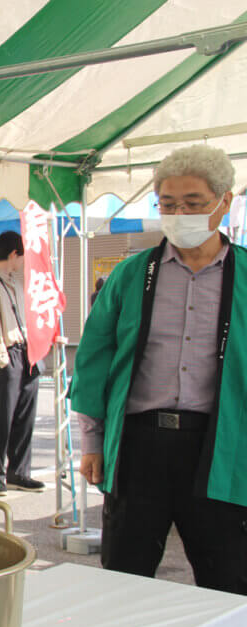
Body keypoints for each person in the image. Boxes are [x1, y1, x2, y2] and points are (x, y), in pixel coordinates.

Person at [71, 145, 247, 594]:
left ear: (224, 202)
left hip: (221, 447)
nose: (179, 215)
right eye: (167, 205)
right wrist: (91, 442)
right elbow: (94, 359)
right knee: (125, 577)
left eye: (192, 203)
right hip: (139, 445)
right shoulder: (130, 275)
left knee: (228, 581)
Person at [0, 231, 44, 497]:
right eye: (22, 256)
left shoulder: (14, 283)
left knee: (25, 415)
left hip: (25, 352)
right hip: (5, 354)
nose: (23, 261)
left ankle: (19, 472)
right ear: (14, 254)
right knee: (1, 417)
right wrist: (2, 360)